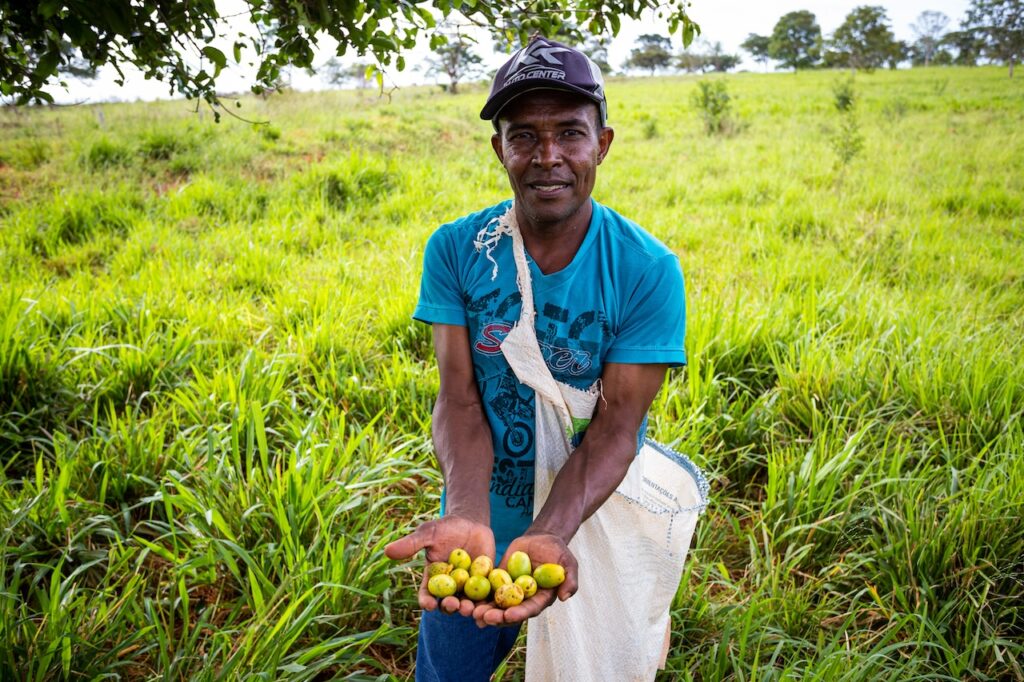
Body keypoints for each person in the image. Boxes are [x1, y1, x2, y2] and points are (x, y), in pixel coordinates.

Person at [385, 35, 687, 681]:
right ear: (500, 149)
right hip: (481, 510)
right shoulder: (458, 249)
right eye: (523, 136)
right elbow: (460, 398)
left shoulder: (647, 269)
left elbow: (615, 427)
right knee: (448, 672)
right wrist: (466, 512)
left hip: (588, 513)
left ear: (602, 144)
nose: (547, 157)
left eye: (570, 134)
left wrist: (552, 532)